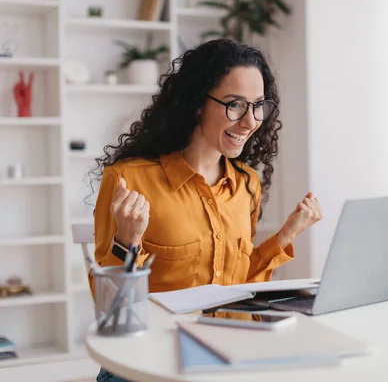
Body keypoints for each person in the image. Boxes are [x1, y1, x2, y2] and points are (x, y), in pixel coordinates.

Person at [91, 39, 322, 382]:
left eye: (258, 105)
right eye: (235, 105)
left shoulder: (246, 184)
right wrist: (128, 241)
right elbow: (114, 311)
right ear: (197, 103)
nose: (250, 121)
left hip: (230, 355)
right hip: (153, 360)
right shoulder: (128, 179)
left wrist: (287, 235)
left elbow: (240, 289)